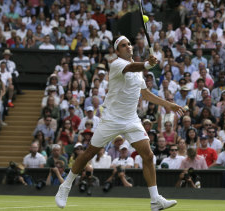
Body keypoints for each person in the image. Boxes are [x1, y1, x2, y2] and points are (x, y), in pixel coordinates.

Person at [55, 36, 183, 210]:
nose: (128, 47)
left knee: (148, 156)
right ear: (117, 51)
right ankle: (65, 186)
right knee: (88, 154)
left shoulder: (138, 70)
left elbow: (145, 94)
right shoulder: (116, 64)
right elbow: (131, 66)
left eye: (129, 44)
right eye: (123, 45)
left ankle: (155, 200)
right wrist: (146, 64)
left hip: (131, 119)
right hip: (111, 119)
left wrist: (168, 104)